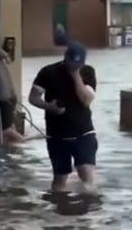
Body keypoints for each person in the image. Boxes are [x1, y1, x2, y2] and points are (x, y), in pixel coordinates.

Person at [27, 40, 98, 193]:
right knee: (60, 179)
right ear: (65, 57)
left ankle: (89, 211)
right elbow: (33, 98)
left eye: (78, 64)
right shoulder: (47, 72)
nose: (74, 66)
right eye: (71, 62)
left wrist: (76, 75)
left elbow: (86, 100)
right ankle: (60, 209)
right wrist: (49, 107)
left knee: (86, 173)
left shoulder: (88, 72)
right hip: (56, 134)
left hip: (83, 132)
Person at [0, 46, 24, 145]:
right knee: (9, 129)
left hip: (6, 98)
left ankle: (22, 143)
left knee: (7, 130)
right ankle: (21, 142)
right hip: (8, 97)